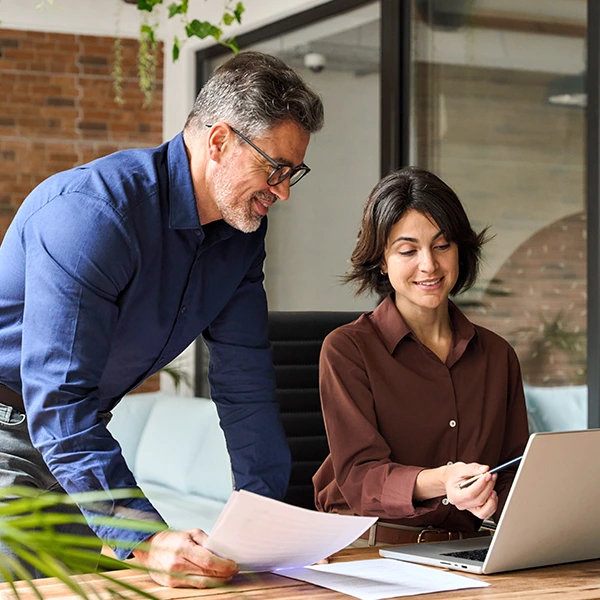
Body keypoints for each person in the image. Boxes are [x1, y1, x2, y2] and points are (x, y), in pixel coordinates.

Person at [0, 51, 323, 586]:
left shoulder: (240, 236)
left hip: (76, 439)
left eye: (294, 173)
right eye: (275, 169)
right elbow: (57, 395)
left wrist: (268, 523)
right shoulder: (94, 214)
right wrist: (145, 538)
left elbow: (244, 381)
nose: (283, 192)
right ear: (219, 142)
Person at [313, 167, 529, 546]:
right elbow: (361, 479)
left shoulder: (497, 356)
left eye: (442, 246)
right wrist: (444, 480)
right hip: (367, 549)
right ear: (382, 260)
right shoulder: (348, 350)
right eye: (408, 250)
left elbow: (515, 475)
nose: (429, 265)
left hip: (463, 549)